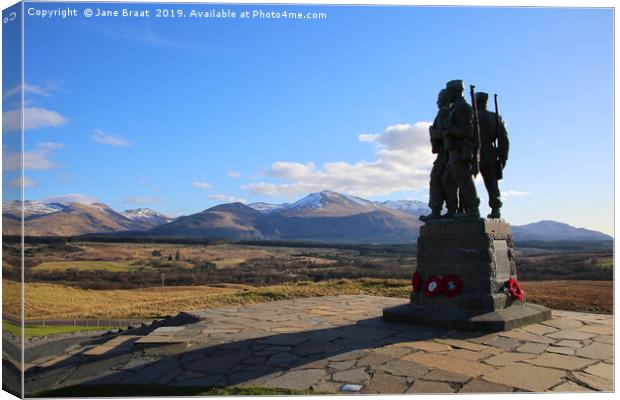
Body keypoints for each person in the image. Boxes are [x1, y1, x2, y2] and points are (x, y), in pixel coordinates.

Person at [441, 80, 480, 219]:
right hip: (454, 151)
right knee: (448, 180)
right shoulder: (455, 107)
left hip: (461, 150)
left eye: (449, 91)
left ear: (454, 91)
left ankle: (473, 209)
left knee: (464, 179)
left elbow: (467, 131)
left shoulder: (462, 107)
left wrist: (448, 129)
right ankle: (452, 210)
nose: (447, 94)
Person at [475, 92, 509, 219]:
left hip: (475, 152)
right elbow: (504, 140)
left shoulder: (473, 116)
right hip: (491, 152)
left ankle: (469, 207)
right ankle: (496, 209)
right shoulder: (495, 117)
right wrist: (503, 157)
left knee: (468, 182)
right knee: (492, 183)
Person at [420, 89, 451, 222]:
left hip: (446, 153)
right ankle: (450, 209)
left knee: (436, 179)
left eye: (439, 97)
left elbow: (443, 132)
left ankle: (436, 210)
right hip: (449, 152)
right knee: (447, 181)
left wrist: (432, 131)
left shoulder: (444, 112)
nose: (437, 101)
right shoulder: (450, 111)